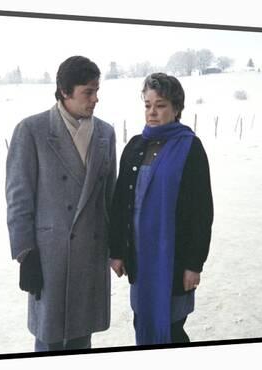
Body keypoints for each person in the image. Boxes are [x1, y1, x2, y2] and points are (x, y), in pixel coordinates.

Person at [6, 56, 117, 352]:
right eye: (88, 92)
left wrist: (118, 248)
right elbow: (18, 199)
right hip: (49, 257)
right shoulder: (32, 130)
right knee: (49, 340)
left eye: (97, 90)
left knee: (82, 337)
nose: (96, 98)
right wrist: (25, 254)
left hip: (91, 254)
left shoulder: (106, 133)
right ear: (65, 91)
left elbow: (111, 199)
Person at [109, 72, 213, 345]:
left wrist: (194, 264)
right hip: (140, 259)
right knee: (140, 320)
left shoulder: (191, 148)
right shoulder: (134, 146)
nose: (152, 112)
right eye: (147, 105)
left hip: (174, 260)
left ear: (176, 108)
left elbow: (202, 212)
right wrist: (117, 252)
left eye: (161, 105)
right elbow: (121, 203)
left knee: (173, 328)